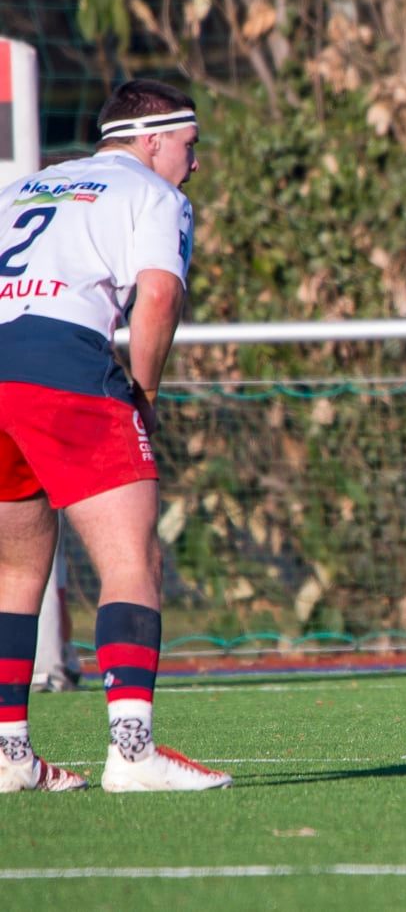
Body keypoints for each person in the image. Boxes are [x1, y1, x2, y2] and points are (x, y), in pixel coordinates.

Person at [0, 79, 230, 793]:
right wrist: (147, 390)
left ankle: (8, 752)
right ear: (153, 138)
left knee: (12, 571)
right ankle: (132, 750)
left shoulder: (26, 188)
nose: (193, 164)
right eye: (188, 147)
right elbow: (157, 294)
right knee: (131, 556)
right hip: (62, 362)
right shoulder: (153, 194)